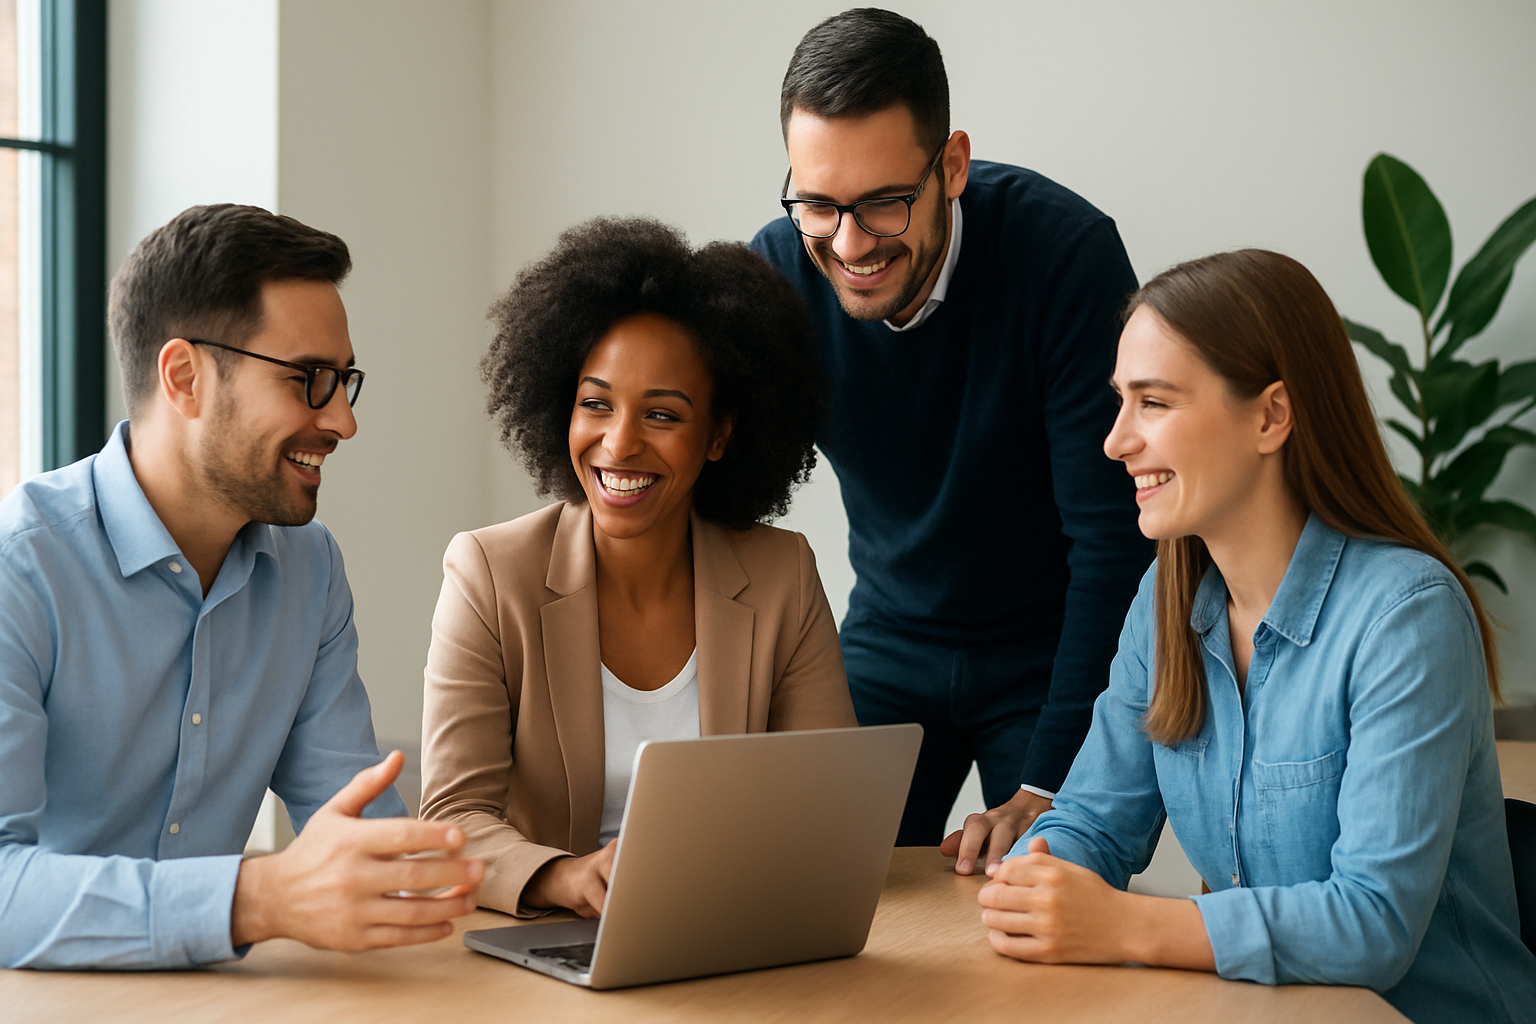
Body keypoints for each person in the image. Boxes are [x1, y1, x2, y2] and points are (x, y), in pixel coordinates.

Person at [979, 249, 1536, 1023]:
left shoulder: (1407, 616)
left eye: (1155, 403)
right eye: (1120, 401)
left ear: (1271, 415)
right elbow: (1094, 821)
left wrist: (1123, 923)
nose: (1115, 441)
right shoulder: (1165, 601)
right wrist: (1037, 881)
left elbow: (1374, 925)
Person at [0, 205, 483, 970]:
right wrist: (257, 898)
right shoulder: (18, 569)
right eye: (310, 381)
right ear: (185, 378)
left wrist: (548, 879)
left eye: (345, 381)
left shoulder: (309, 572)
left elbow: (358, 832)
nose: (344, 422)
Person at [751, 9, 1153, 869]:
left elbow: (1114, 540)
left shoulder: (1066, 256)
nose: (848, 244)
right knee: (808, 873)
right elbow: (724, 506)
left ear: (953, 166)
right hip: (890, 633)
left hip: (1052, 645)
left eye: (885, 203)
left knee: (1048, 876)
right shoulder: (780, 272)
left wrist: (1050, 784)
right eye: (817, 203)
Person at [418, 217, 857, 919]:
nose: (618, 445)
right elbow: (454, 819)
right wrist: (565, 877)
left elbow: (830, 807)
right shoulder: (488, 574)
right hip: (547, 938)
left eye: (662, 415)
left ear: (719, 436)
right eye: (595, 404)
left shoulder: (782, 575)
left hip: (725, 928)